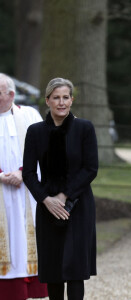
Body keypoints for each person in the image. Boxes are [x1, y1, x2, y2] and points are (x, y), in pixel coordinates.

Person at [22, 77, 99, 300]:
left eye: (66, 97)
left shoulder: (85, 128)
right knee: (53, 269)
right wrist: (46, 199)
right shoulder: (35, 132)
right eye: (56, 98)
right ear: (47, 100)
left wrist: (64, 196)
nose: (61, 102)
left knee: (76, 270)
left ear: (72, 100)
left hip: (78, 204)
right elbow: (28, 173)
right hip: (47, 207)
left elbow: (91, 168)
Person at [0, 73, 48, 299]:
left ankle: (26, 286)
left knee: (24, 237)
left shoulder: (29, 115)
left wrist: (22, 172)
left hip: (25, 192)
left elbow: (45, 150)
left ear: (10, 95)